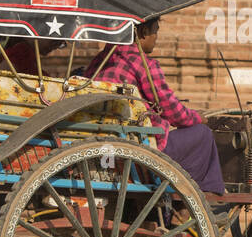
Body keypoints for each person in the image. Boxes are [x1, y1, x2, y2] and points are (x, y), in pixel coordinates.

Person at [81, 17, 226, 196]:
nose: (156, 37)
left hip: (103, 143)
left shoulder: (101, 60)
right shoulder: (143, 64)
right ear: (142, 33)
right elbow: (173, 111)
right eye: (155, 31)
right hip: (136, 149)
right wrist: (198, 117)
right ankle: (194, 199)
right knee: (202, 134)